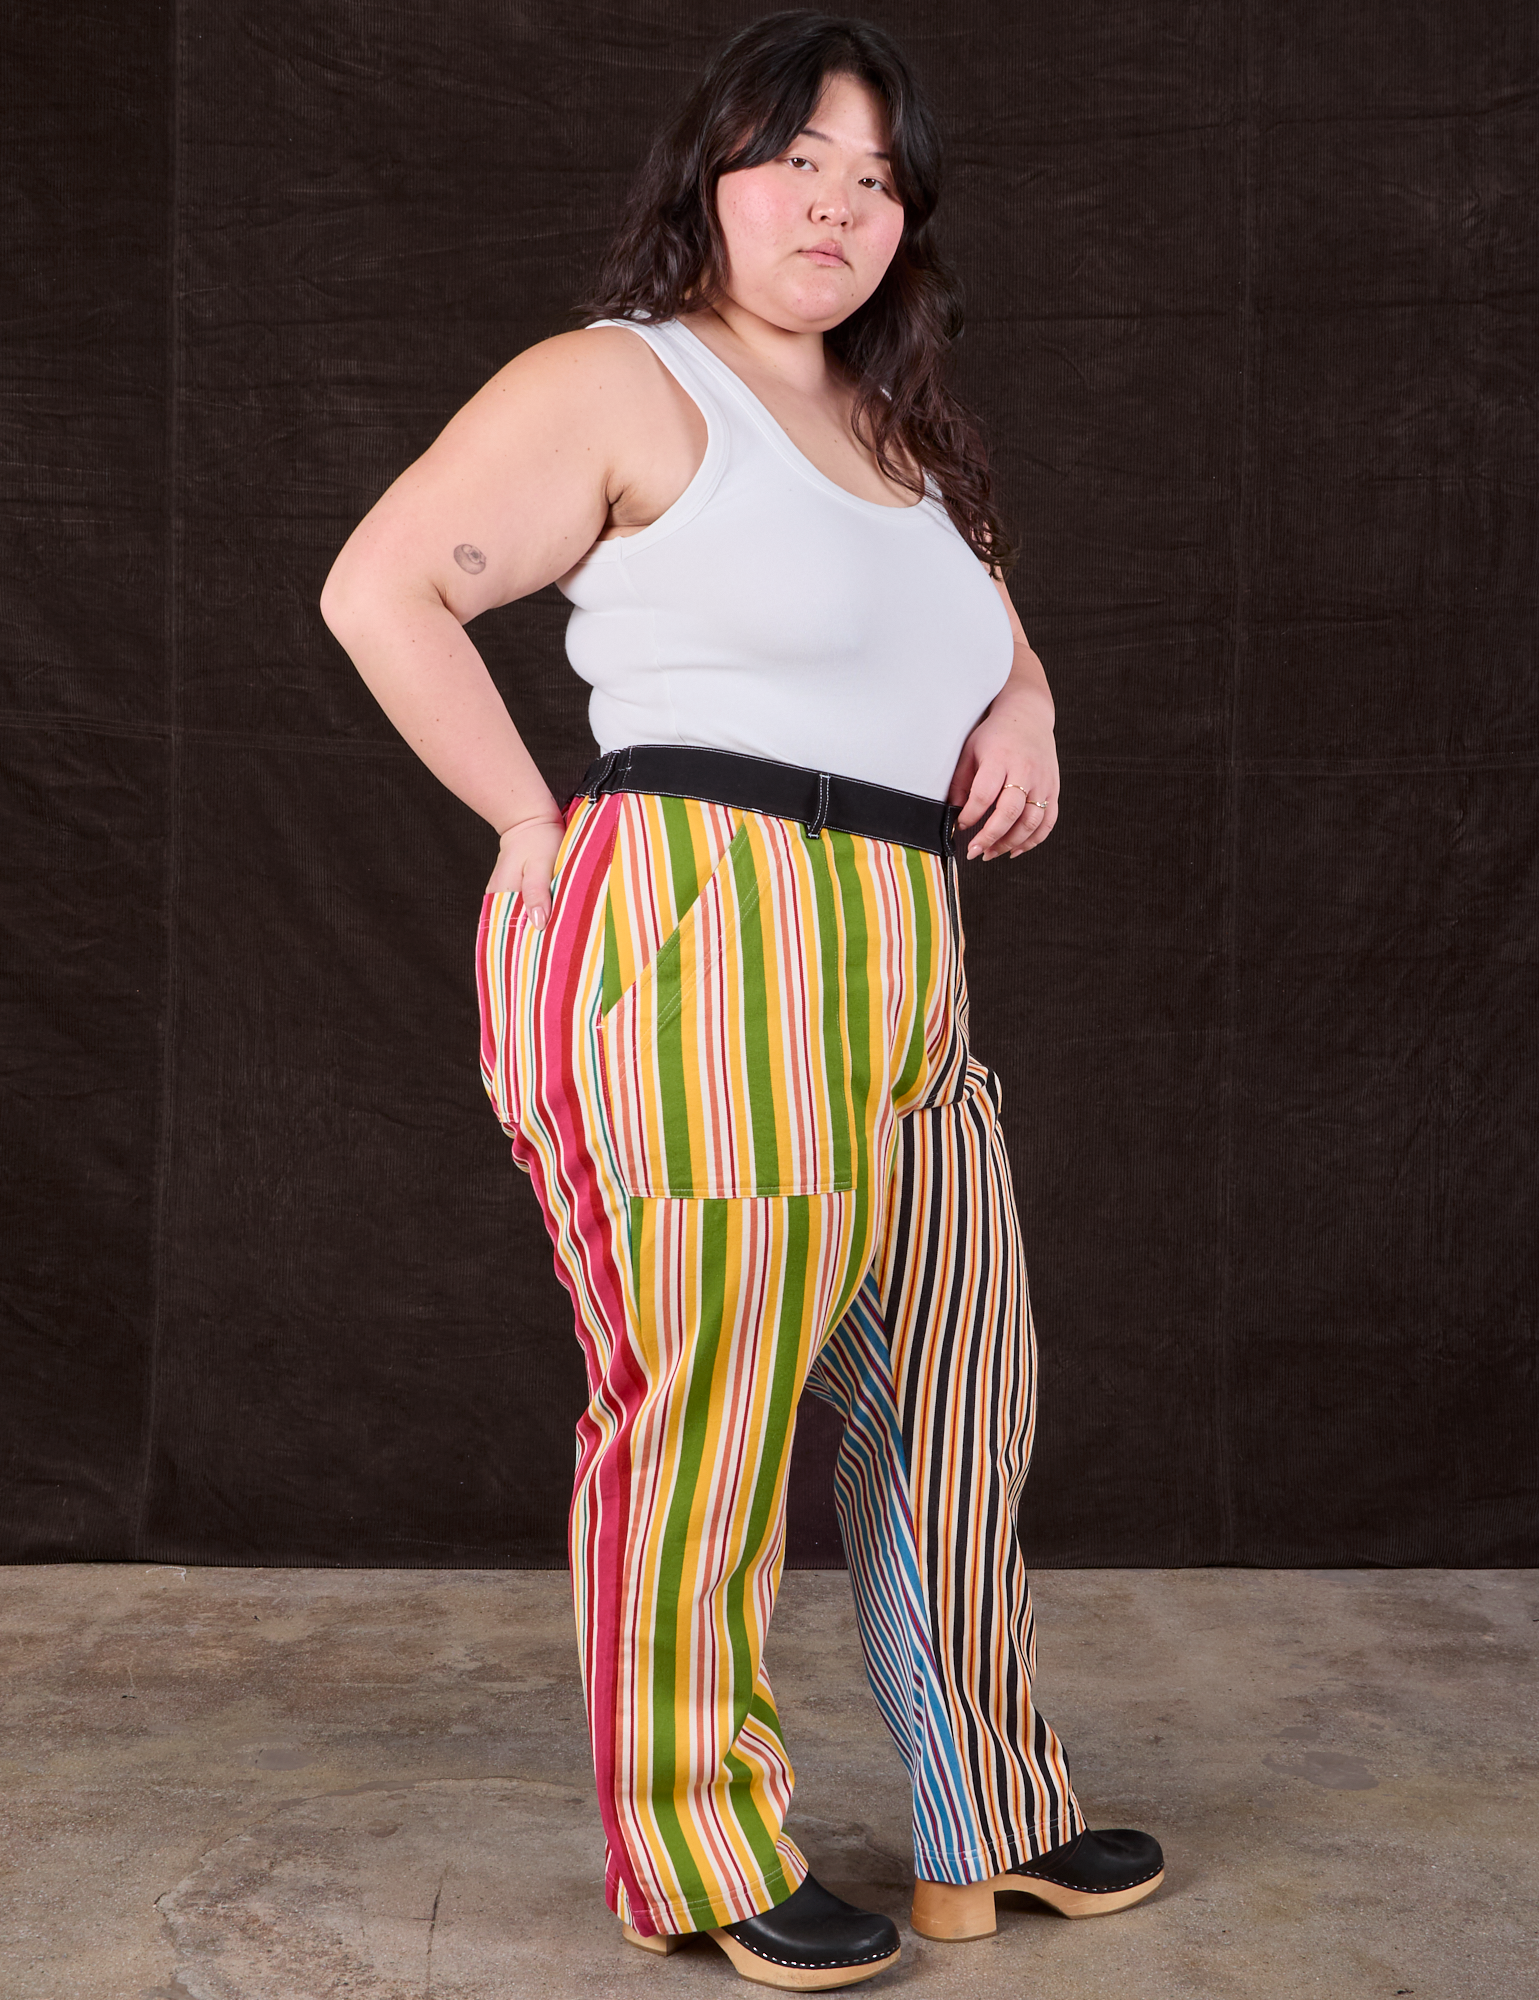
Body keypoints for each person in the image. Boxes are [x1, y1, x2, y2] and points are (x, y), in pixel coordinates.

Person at [321, 12, 1162, 1989]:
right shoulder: (620, 380)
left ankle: (987, 1821)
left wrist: (1024, 693)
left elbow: (954, 617)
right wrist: (530, 825)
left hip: (903, 937)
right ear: (709, 174)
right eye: (801, 156)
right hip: (701, 922)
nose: (839, 203)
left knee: (957, 1397)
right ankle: (697, 1854)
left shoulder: (901, 433)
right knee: (698, 1411)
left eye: (878, 178)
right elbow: (382, 584)